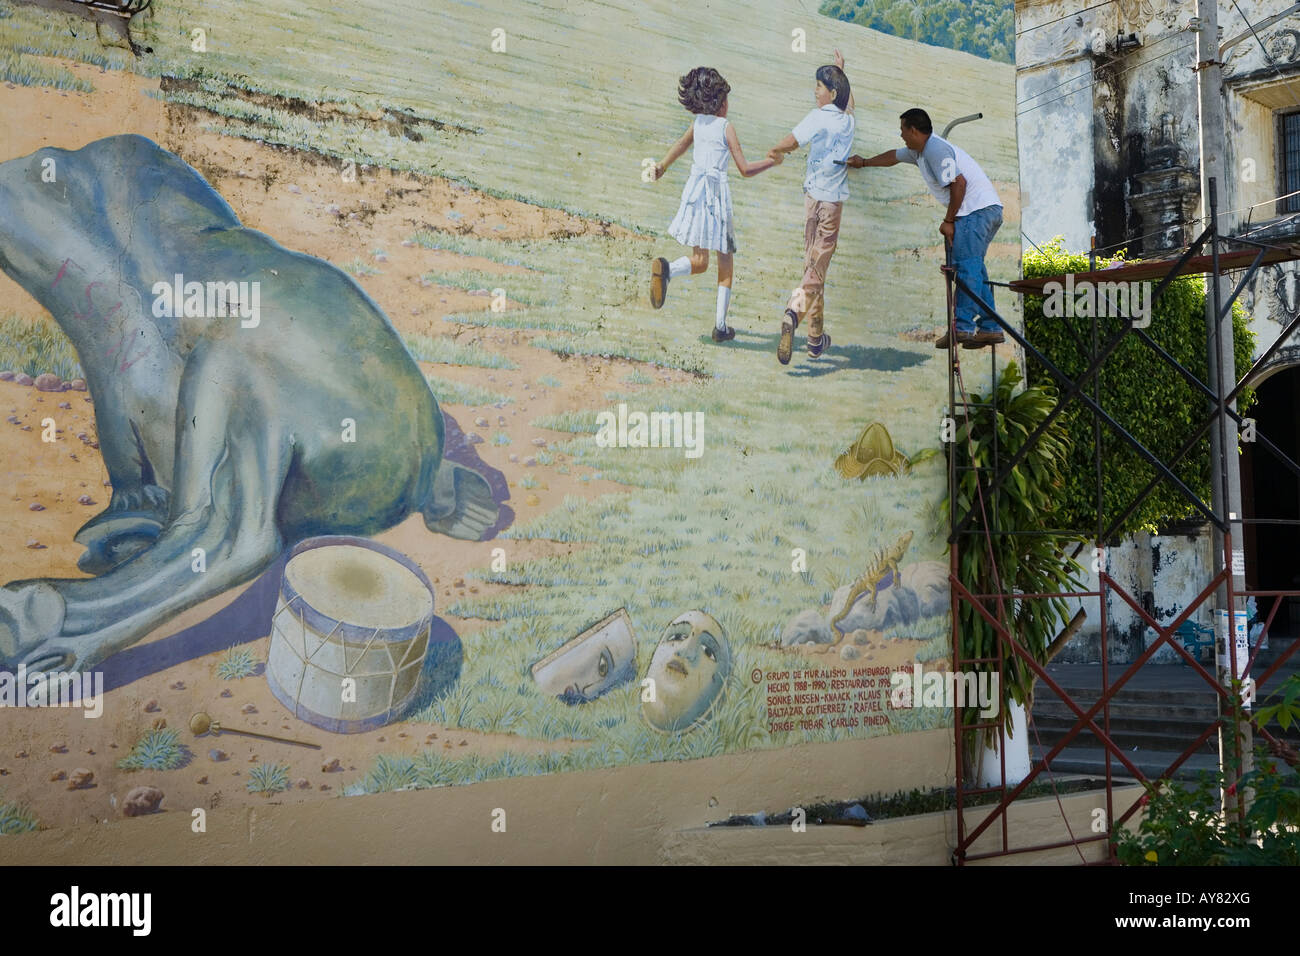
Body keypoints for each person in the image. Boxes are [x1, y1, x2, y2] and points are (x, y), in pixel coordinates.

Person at [846, 108, 1004, 349]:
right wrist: (864, 162)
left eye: (903, 130)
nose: (901, 136)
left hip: (975, 212)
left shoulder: (935, 150)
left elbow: (958, 183)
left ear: (914, 130)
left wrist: (949, 220)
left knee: (966, 269)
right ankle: (990, 327)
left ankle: (962, 327)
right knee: (975, 270)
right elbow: (893, 156)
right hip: (982, 211)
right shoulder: (919, 151)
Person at [650, 67, 777, 343]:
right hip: (716, 199)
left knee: (699, 260)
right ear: (720, 102)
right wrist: (771, 161)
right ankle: (720, 326)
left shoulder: (698, 124)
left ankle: (668, 269)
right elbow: (744, 169)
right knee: (725, 265)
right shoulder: (725, 127)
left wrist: (662, 166)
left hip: (695, 195)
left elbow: (680, 146)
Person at [766, 51, 855, 365]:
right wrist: (841, 74)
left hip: (812, 201)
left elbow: (791, 142)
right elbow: (850, 104)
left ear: (832, 93)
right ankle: (794, 313)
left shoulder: (818, 117)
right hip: (831, 205)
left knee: (813, 269)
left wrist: (774, 151)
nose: (815, 90)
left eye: (819, 86)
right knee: (816, 271)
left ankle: (815, 340)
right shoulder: (846, 122)